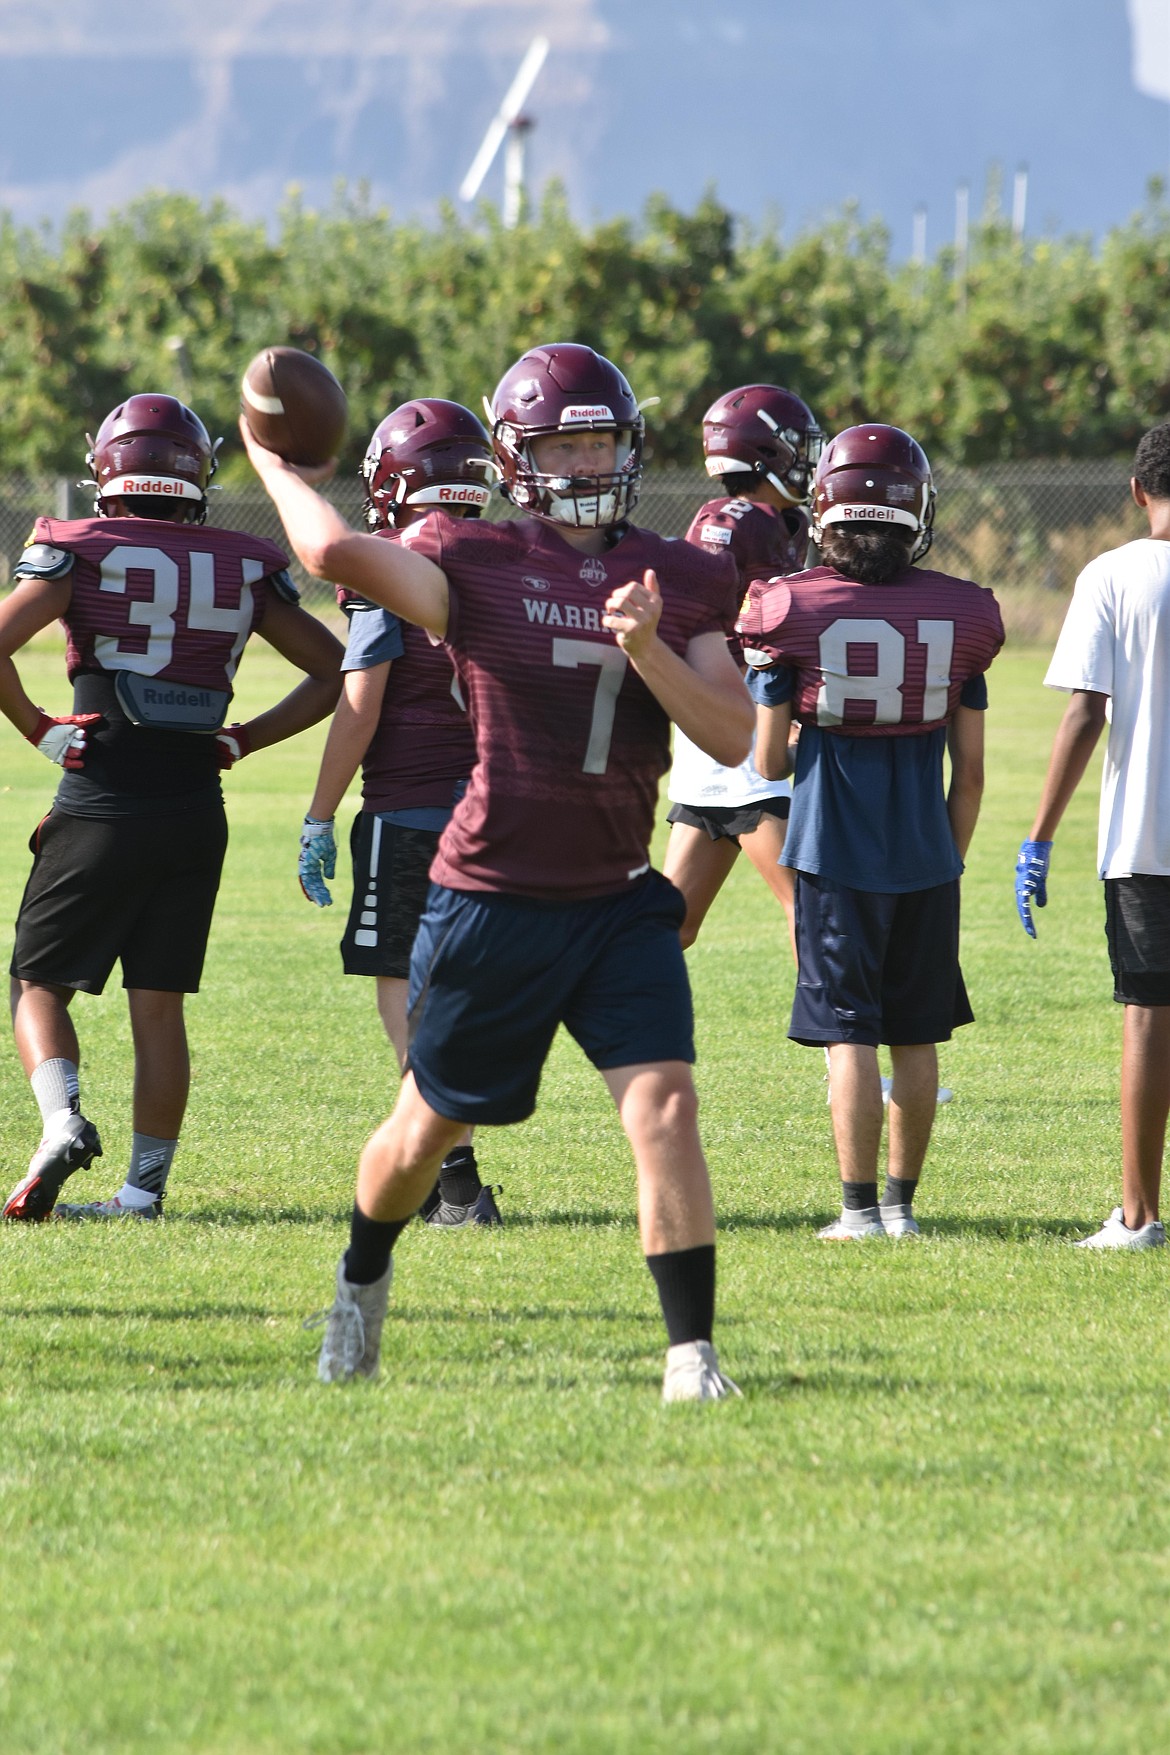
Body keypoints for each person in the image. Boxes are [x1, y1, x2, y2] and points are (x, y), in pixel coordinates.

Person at [243, 341, 754, 1401]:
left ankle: (691, 1358)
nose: (588, 455)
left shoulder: (683, 575)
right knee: (426, 1129)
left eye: (603, 435)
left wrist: (653, 649)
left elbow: (736, 733)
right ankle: (360, 1280)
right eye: (566, 438)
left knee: (665, 1106)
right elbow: (337, 554)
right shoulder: (472, 559)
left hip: (617, 897)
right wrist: (271, 462)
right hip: (492, 897)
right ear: (520, 455)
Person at [1, 393, 343, 1222]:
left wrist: (41, 728)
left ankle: (62, 1122)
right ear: (197, 470)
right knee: (159, 1005)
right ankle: (143, 1193)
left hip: (102, 792)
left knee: (36, 985)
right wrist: (247, 738)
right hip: (197, 803)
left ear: (106, 470)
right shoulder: (242, 560)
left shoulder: (78, 547)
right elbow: (336, 668)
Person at [739, 423, 1003, 1240]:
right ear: (915, 510)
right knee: (916, 1034)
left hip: (831, 855)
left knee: (846, 1032)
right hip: (926, 854)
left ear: (825, 510)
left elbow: (770, 764)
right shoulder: (967, 614)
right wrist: (946, 857)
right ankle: (902, 1207)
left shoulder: (788, 607)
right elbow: (974, 773)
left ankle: (857, 1211)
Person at [300, 398, 502, 1226]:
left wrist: (318, 813)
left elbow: (360, 704)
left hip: (411, 811)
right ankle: (451, 1172)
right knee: (455, 990)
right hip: (495, 809)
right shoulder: (512, 558)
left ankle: (454, 1182)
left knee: (404, 989)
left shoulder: (391, 560)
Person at [1016, 422, 1170, 1250]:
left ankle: (1140, 1215)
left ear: (1139, 491)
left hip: (1148, 839)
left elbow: (1083, 711)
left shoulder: (1112, 574)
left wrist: (1038, 836)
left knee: (1149, 1012)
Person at [663, 384, 821, 955]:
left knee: (672, 924)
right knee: (807, 903)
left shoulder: (782, 521)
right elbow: (693, 619)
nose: (808, 460)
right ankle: (838, 1037)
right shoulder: (731, 520)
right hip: (741, 734)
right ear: (765, 453)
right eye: (798, 447)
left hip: (736, 732)